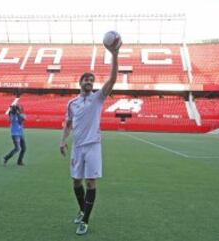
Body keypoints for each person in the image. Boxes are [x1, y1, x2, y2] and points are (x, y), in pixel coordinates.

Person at [59, 40, 121, 235]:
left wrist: (115, 54)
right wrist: (62, 141)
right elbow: (68, 124)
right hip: (77, 147)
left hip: (93, 145)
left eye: (91, 80)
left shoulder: (98, 98)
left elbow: (112, 79)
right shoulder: (72, 103)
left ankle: (85, 220)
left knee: (90, 183)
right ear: (80, 83)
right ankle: (81, 209)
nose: (89, 82)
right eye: (86, 79)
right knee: (76, 182)